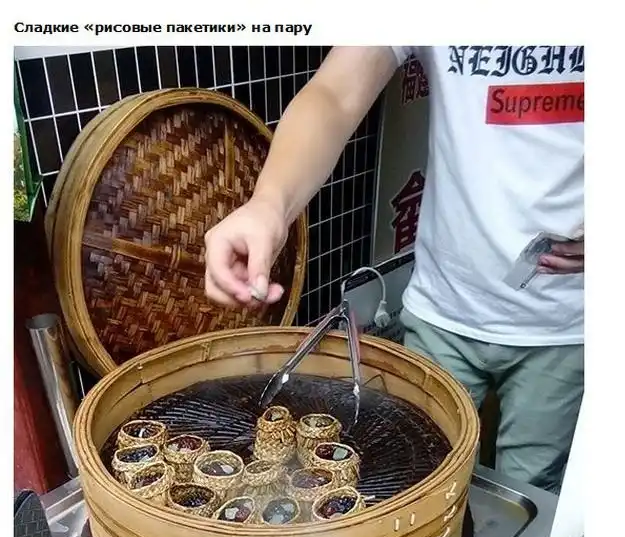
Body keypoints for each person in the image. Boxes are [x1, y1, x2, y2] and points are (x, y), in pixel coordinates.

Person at [204, 46, 584, 493]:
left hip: (565, 324)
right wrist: (270, 203)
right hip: (443, 310)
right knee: (418, 474)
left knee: (533, 490)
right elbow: (335, 93)